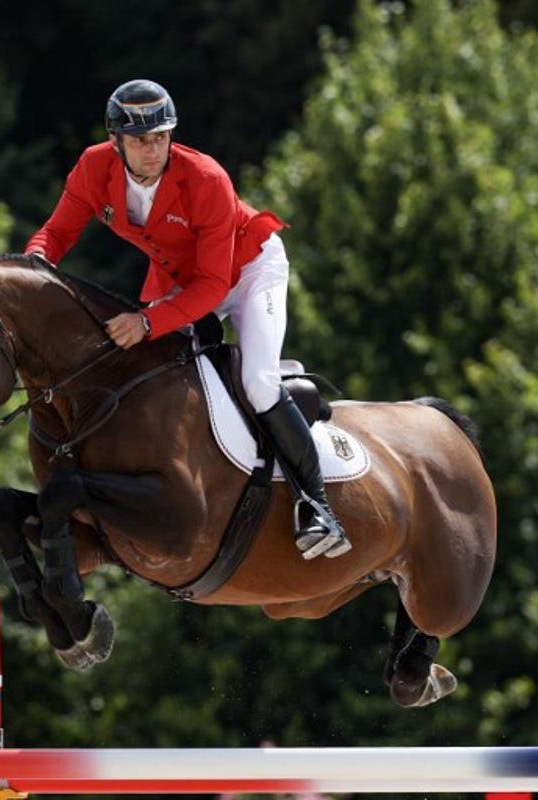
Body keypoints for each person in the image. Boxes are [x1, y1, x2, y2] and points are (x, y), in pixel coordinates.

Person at [24, 79, 350, 560]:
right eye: (140, 140)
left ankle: (316, 505)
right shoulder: (94, 169)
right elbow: (55, 234)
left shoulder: (206, 178)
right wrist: (32, 269)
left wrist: (149, 322)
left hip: (247, 271)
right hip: (179, 278)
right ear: (115, 141)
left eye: (161, 137)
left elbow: (214, 286)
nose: (153, 149)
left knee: (258, 382)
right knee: (137, 369)